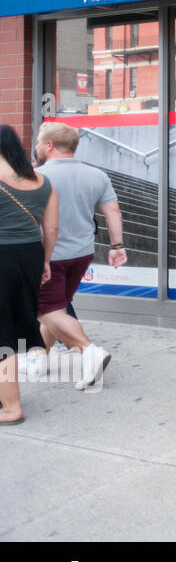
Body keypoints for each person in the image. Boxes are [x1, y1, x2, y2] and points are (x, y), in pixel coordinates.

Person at [29, 122, 123, 390]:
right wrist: (117, 246)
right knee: (55, 308)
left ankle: (88, 350)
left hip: (48, 254)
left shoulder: (37, 177)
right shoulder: (97, 175)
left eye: (38, 141)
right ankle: (39, 356)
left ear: (49, 145)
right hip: (82, 254)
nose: (35, 146)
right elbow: (113, 212)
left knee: (46, 310)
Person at [0, 125, 57, 425]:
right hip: (30, 256)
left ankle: (11, 407)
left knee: (2, 333)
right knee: (13, 324)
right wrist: (45, 262)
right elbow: (51, 230)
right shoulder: (42, 181)